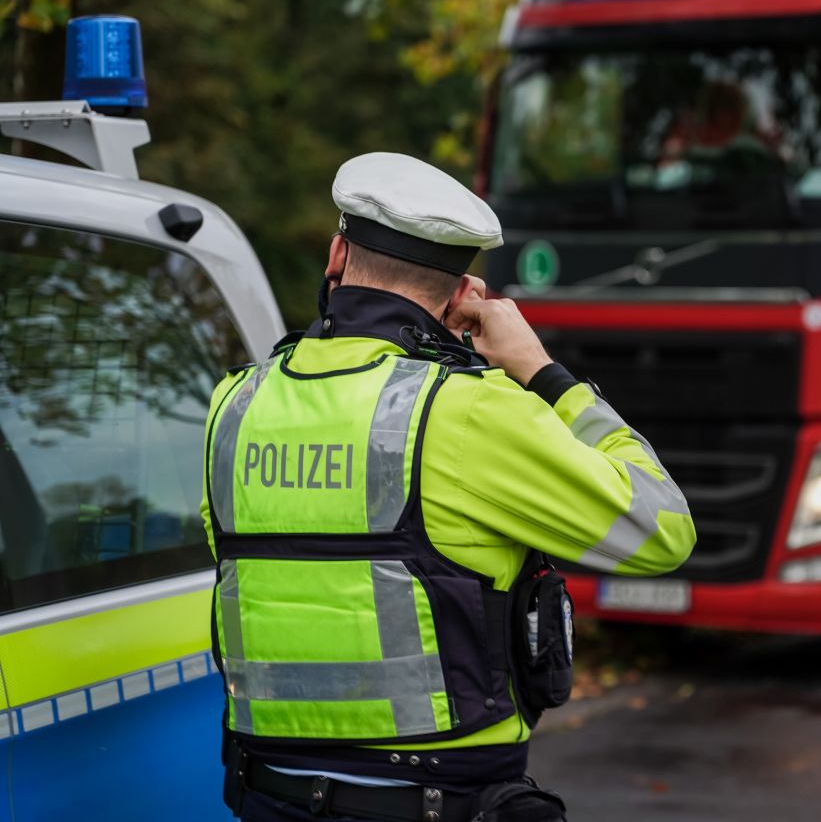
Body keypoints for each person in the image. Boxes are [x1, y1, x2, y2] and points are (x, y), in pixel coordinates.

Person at [201, 151, 697, 821]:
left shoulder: (235, 403)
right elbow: (663, 530)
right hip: (437, 799)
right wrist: (540, 369)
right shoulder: (471, 411)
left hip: (268, 794)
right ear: (465, 293)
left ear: (336, 255)